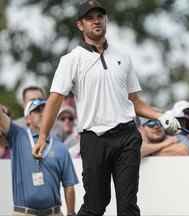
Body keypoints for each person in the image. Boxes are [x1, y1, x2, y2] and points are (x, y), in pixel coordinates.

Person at [32, 1, 180, 215]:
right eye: (90, 18)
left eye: (100, 16)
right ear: (80, 25)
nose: (96, 21)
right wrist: (43, 136)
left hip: (127, 136)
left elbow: (135, 102)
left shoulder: (123, 57)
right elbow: (55, 99)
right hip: (94, 140)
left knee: (128, 205)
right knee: (95, 205)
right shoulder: (71, 60)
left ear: (106, 20)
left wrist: (161, 115)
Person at [0, 100, 78, 216]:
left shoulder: (60, 147)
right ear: (27, 119)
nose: (42, 113)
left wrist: (71, 213)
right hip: (24, 213)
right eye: (37, 111)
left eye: (46, 110)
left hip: (54, 213)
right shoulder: (18, 136)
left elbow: (69, 185)